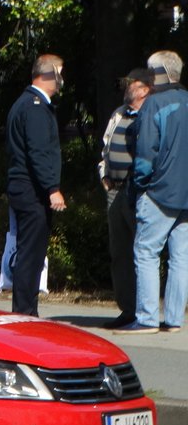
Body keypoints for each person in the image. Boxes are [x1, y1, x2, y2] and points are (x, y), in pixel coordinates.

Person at [119, 50, 188, 335]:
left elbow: (146, 152)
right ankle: (174, 320)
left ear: (159, 74)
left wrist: (141, 186)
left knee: (146, 252)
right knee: (181, 257)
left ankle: (146, 318)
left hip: (159, 192)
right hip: (185, 195)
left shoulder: (154, 104)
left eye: (150, 72)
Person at [4, 54, 67, 316]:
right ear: (48, 74)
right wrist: (53, 188)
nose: (62, 80)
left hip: (24, 188)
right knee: (31, 255)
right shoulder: (35, 107)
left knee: (30, 254)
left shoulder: (27, 103)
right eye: (60, 73)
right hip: (32, 191)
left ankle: (26, 311)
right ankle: (25, 314)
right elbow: (38, 152)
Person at [97, 67, 155, 328]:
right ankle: (127, 309)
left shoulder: (150, 115)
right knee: (119, 252)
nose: (125, 87)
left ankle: (145, 311)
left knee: (141, 252)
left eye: (130, 83)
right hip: (115, 190)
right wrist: (103, 174)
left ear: (144, 89)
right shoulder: (118, 114)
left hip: (138, 191)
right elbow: (106, 147)